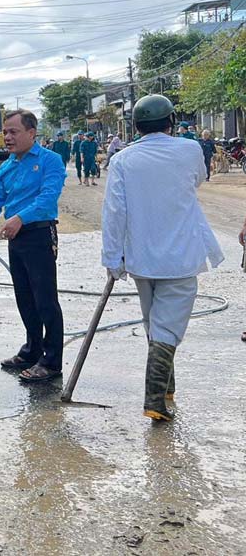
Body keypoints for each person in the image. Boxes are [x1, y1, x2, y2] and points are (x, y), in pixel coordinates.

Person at [101, 94, 223, 421]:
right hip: (181, 256)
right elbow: (198, 178)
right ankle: (154, 398)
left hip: (141, 258)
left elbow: (113, 213)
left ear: (136, 125)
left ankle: (167, 387)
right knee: (167, 327)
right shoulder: (189, 149)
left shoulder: (123, 160)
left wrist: (113, 260)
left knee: (155, 323)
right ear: (170, 122)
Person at [0, 109, 67, 383]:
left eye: (13, 132)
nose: (7, 137)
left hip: (39, 235)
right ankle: (32, 349)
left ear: (31, 133)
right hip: (16, 238)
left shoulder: (50, 161)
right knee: (25, 298)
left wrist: (20, 218)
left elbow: (48, 199)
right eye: (5, 132)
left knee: (45, 300)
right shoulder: (7, 167)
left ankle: (52, 361)